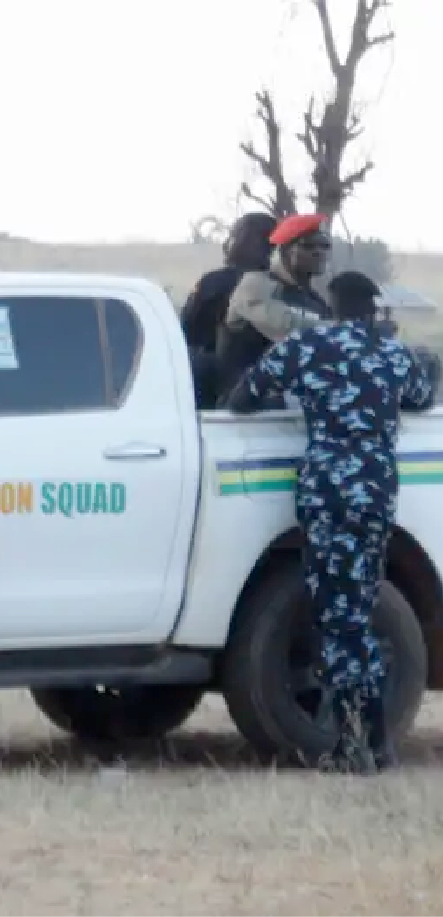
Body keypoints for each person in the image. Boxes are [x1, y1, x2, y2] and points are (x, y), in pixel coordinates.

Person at [228, 269, 436, 773]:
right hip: (377, 492)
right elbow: (423, 395)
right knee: (361, 607)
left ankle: (352, 746)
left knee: (338, 618)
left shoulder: (309, 346)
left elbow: (242, 397)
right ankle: (378, 742)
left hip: (330, 493)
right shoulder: (392, 353)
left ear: (332, 304)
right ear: (373, 307)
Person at [214, 213, 334, 405]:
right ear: (285, 250)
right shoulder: (256, 284)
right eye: (308, 245)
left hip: (298, 404)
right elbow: (283, 326)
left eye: (325, 245)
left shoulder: (317, 301)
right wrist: (341, 330)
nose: (319, 252)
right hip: (246, 406)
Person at [181, 213, 278, 407]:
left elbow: (186, 327)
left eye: (234, 235)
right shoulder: (281, 286)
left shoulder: (213, 282)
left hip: (216, 386)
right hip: (267, 385)